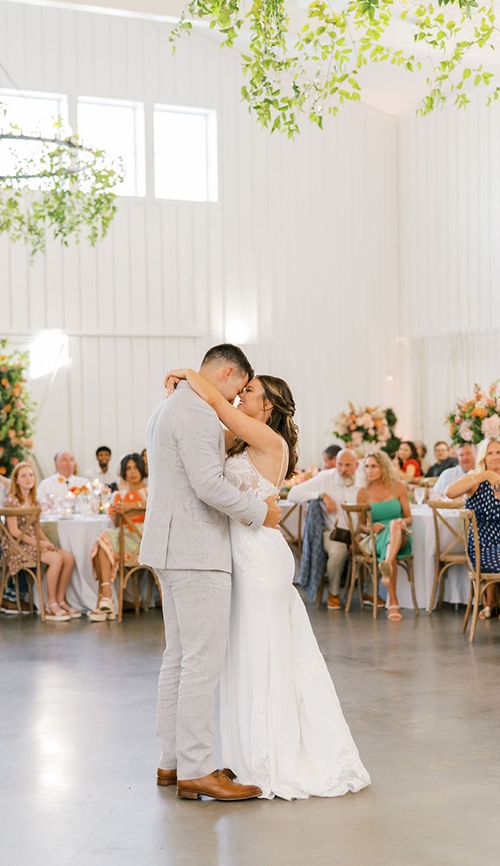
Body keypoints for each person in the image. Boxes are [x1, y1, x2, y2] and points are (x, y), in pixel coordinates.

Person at [166, 366, 370, 800]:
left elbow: (217, 405)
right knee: (242, 654)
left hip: (260, 557)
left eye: (250, 391)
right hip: (237, 556)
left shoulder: (269, 441)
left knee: (264, 654)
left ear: (269, 405)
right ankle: (242, 758)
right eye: (242, 388)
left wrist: (188, 375)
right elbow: (200, 441)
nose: (241, 395)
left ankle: (269, 758)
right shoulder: (240, 439)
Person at [139, 344, 281, 802]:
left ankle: (172, 761)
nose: (237, 397)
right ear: (227, 372)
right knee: (202, 661)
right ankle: (197, 770)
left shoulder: (166, 407)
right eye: (239, 386)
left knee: (178, 658)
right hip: (196, 549)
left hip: (167, 544)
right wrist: (261, 513)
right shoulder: (197, 411)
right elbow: (208, 485)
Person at [445, 437, 500, 620]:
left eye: (499, 452)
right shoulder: (475, 481)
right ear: (483, 458)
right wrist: (485, 475)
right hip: (483, 546)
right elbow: (449, 492)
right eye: (490, 453)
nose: (495, 457)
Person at [288, 448, 369, 609]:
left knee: (378, 548)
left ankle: (368, 593)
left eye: (348, 465)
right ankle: (334, 593)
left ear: (357, 465)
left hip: (361, 533)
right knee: (338, 552)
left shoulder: (365, 480)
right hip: (334, 534)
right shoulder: (325, 478)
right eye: (339, 464)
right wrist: (321, 495)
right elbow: (293, 494)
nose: (343, 469)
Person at [2, 462, 77, 621]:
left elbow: (37, 528)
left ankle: (60, 599)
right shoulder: (12, 500)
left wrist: (48, 542)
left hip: (33, 541)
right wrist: (39, 544)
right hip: (18, 545)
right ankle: (51, 604)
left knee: (68, 558)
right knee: (56, 559)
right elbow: (14, 532)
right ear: (16, 480)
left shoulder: (34, 499)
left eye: (31, 475)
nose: (28, 478)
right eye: (23, 476)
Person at [88, 453, 148, 622]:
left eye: (136, 467)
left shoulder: (150, 492)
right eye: (128, 468)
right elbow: (115, 524)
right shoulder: (117, 496)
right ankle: (106, 597)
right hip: (124, 538)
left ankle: (104, 601)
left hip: (143, 540)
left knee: (104, 539)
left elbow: (153, 506)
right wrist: (116, 512)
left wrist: (131, 506)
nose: (133, 472)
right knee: (103, 541)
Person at [356, 450, 413, 622]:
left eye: (374, 466)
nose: (369, 470)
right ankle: (393, 602)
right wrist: (370, 528)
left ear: (384, 467)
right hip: (378, 538)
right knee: (391, 549)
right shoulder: (363, 493)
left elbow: (409, 517)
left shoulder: (398, 487)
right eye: (366, 467)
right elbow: (360, 525)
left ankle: (386, 563)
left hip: (401, 535)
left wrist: (404, 522)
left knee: (395, 524)